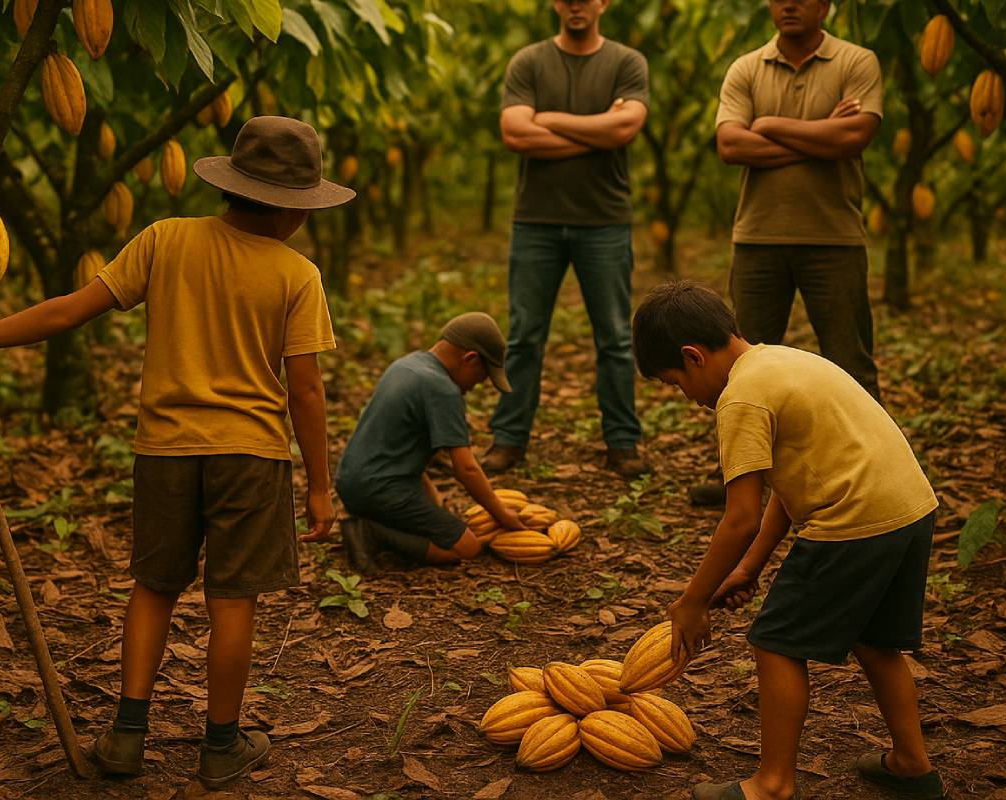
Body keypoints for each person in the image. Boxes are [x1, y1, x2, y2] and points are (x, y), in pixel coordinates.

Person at [0, 117, 352, 791]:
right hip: (252, 455)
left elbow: (68, 311)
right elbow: (306, 390)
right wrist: (320, 486)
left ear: (231, 185)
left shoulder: (166, 238)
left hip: (165, 449)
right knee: (232, 600)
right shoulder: (299, 275)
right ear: (296, 209)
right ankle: (220, 746)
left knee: (153, 588)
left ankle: (125, 736)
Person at [632, 281, 944, 800]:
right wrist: (749, 569)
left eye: (673, 382)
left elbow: (740, 518)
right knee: (875, 641)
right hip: (908, 509)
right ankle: (912, 763)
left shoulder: (741, 399)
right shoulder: (780, 360)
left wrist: (690, 602)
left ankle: (772, 785)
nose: (684, 397)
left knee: (775, 643)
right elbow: (786, 488)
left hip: (854, 520)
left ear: (692, 355)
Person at [695, 0, 884, 508]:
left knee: (850, 360)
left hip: (834, 236)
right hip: (758, 238)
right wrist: (820, 133)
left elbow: (855, 136)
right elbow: (731, 145)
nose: (790, 4)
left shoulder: (856, 62)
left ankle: (872, 469)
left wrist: (769, 125)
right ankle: (738, 476)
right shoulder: (746, 68)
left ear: (826, 5)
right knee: (740, 364)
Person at [486, 0, 651, 478]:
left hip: (604, 220)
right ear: (556, 4)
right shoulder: (529, 61)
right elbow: (515, 132)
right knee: (524, 337)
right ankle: (509, 439)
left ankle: (622, 443)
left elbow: (625, 128)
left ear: (603, 3)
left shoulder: (625, 62)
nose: (577, 4)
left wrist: (547, 118)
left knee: (616, 339)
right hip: (535, 221)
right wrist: (597, 130)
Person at [336, 313, 525, 574]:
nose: (475, 387)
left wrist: (430, 494)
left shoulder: (407, 365)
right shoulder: (442, 390)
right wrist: (502, 515)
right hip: (381, 490)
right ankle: (370, 532)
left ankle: (369, 521)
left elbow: (400, 442)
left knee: (437, 519)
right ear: (470, 359)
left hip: (352, 482)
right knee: (466, 548)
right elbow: (466, 468)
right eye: (482, 378)